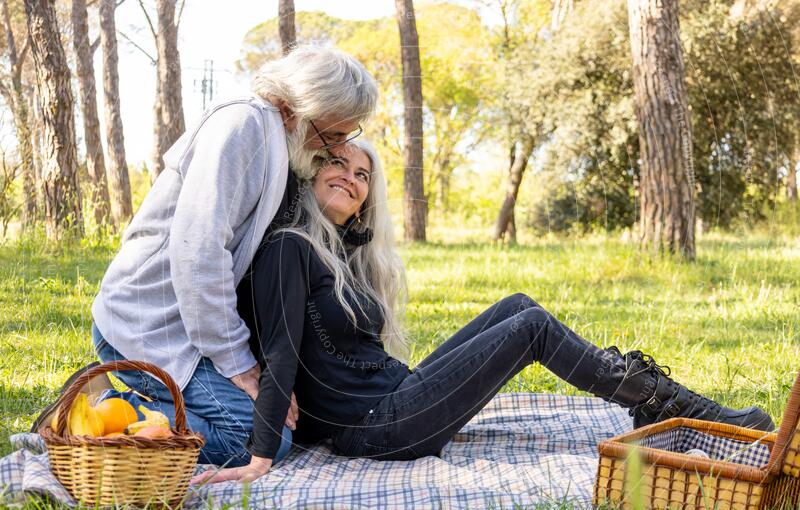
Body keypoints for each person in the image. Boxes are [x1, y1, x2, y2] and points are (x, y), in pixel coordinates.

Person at [192, 140, 774, 484]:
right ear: (312, 170)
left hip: (397, 398)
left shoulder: (331, 251)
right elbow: (281, 354)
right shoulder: (289, 247)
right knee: (531, 327)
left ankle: (662, 402)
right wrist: (262, 456)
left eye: (363, 174)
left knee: (518, 305)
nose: (351, 178)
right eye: (339, 165)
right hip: (376, 429)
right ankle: (673, 405)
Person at [87, 46, 379, 468]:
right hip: (146, 325)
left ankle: (136, 407)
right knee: (260, 439)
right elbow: (198, 251)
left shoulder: (280, 143)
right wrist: (239, 365)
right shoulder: (244, 127)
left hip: (192, 326)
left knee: (277, 427)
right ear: (294, 106)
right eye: (332, 135)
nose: (335, 147)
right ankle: (107, 410)